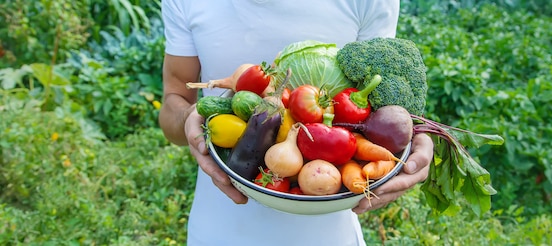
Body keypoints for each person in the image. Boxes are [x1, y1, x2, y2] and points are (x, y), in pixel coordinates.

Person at [158, 0, 434, 245]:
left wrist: (411, 135)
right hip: (217, 229)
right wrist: (188, 117)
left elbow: (386, 103)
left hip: (330, 234)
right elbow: (174, 99)